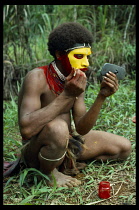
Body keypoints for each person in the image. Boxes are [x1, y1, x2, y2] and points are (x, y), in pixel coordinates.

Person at [18, 22, 131, 187]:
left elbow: (81, 128)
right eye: (79, 56)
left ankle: (64, 159)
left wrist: (102, 96)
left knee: (123, 147)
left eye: (87, 56)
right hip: (35, 149)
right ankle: (47, 172)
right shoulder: (36, 77)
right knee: (58, 128)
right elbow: (26, 129)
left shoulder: (77, 78)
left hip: (66, 141)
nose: (86, 63)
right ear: (59, 54)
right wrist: (67, 95)